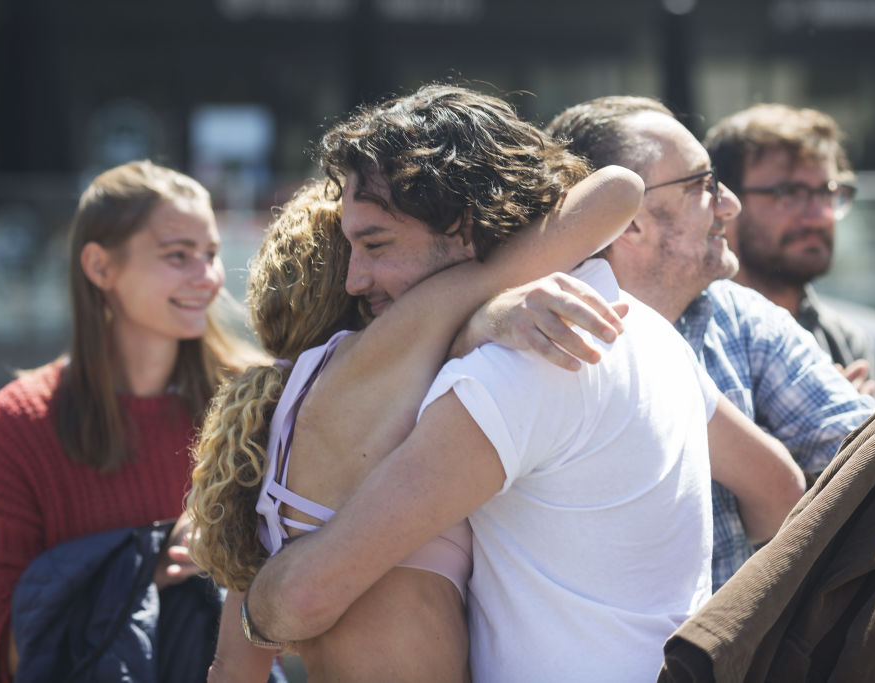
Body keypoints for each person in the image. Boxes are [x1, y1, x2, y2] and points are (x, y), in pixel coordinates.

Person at [232, 84, 808, 682]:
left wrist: (252, 613)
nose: (354, 279)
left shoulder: (519, 367)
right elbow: (782, 487)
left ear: (465, 227)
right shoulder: (651, 334)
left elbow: (306, 597)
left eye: (377, 245)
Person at [189, 87, 644, 681]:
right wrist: (488, 306)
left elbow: (232, 667)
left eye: (374, 246)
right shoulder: (383, 358)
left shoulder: (295, 408)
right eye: (357, 249)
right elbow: (621, 189)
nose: (358, 279)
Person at [545, 95, 875, 590]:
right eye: (703, 185)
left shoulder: (739, 317)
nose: (729, 206)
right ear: (627, 217)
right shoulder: (540, 335)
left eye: (827, 192)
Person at [0, 160, 266, 683]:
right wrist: (133, 578)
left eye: (211, 254)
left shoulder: (254, 397)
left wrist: (235, 553)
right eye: (178, 255)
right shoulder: (16, 422)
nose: (207, 277)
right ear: (101, 268)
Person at [658, 271, 875, 683]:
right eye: (703, 198)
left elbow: (805, 492)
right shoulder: (580, 327)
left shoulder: (738, 316)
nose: (726, 206)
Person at [703, 103, 875, 397]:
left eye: (827, 192)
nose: (818, 215)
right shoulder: (688, 332)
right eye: (789, 193)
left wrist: (857, 434)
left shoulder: (845, 342)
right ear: (725, 201)